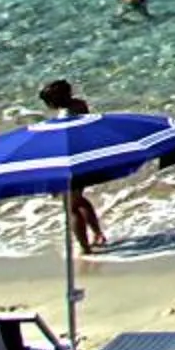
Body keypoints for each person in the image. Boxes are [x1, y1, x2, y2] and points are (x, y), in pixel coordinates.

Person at [37, 80, 110, 253]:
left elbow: (62, 145)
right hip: (85, 158)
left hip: (72, 162)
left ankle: (85, 248)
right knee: (79, 200)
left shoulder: (65, 116)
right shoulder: (79, 105)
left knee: (71, 208)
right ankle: (98, 234)